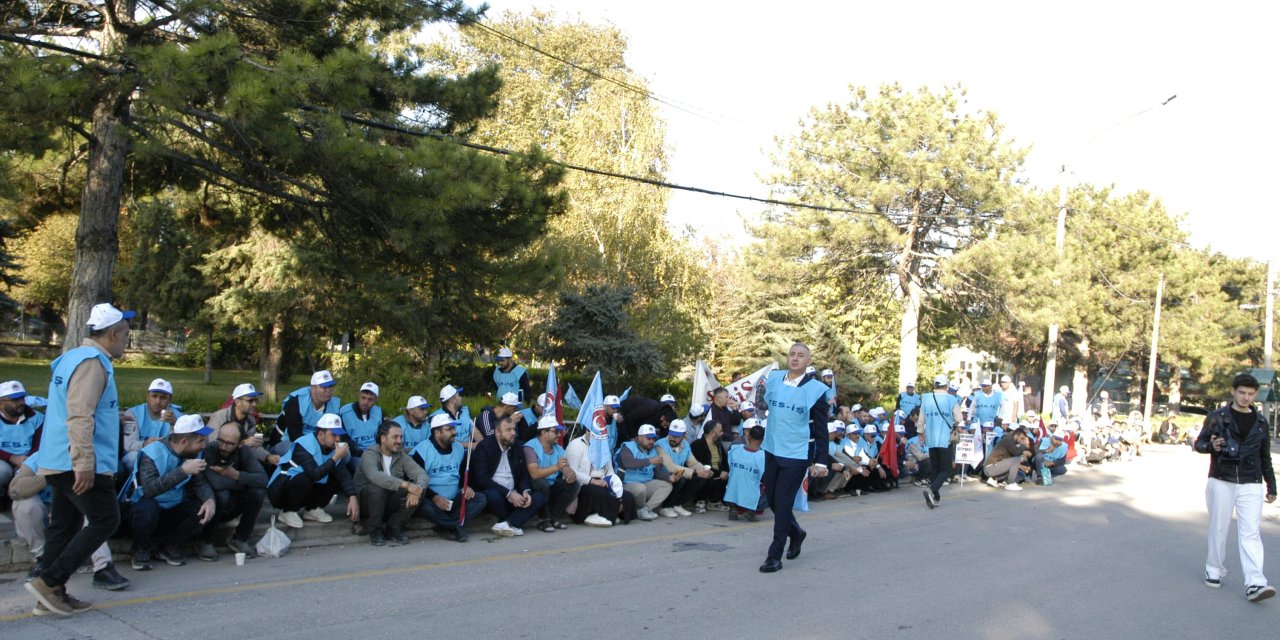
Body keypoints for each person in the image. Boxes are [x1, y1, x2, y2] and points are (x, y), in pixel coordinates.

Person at [26, 303, 132, 617]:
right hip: (80, 462)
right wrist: (84, 462)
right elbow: (80, 414)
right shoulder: (92, 363)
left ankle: (50, 596)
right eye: (126, 334)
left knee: (63, 525)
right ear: (113, 333)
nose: (127, 340)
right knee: (105, 520)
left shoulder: (72, 358)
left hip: (58, 458)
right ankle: (49, 582)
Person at [1194, 373, 1277, 602]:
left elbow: (1265, 457)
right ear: (1233, 391)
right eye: (1242, 393)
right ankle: (1214, 570)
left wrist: (1272, 485)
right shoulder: (1217, 416)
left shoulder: (1260, 422)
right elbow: (1198, 444)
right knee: (1218, 528)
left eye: (1250, 394)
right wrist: (1212, 445)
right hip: (1221, 478)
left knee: (1250, 532)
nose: (1246, 398)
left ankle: (1255, 583)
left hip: (1251, 482)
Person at [758, 342, 831, 573]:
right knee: (771, 499)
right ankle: (796, 533)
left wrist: (821, 460)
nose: (795, 358)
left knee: (783, 501)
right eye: (792, 354)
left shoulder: (816, 390)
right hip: (771, 448)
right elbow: (764, 405)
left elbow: (821, 429)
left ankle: (774, 554)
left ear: (808, 362)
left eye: (801, 356)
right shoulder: (775, 378)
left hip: (797, 453)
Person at [9, 451, 128, 591]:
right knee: (24, 505)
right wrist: (54, 474)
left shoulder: (85, 459)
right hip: (44, 512)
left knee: (94, 513)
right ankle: (42, 560)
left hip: (71, 513)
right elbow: (15, 489)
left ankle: (103, 567)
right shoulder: (40, 457)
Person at [127, 414, 217, 568]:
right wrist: (182, 471)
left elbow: (199, 483)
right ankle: (140, 549)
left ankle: (169, 546)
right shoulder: (152, 453)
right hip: (146, 508)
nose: (204, 445)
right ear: (184, 441)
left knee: (202, 508)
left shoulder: (193, 453)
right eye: (200, 441)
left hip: (174, 506)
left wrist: (210, 500)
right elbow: (149, 490)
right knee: (147, 509)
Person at [267, 413, 359, 529]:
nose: (337, 439)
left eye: (339, 435)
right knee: (305, 477)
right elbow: (314, 474)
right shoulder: (304, 444)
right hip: (279, 491)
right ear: (321, 434)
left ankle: (313, 508)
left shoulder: (331, 448)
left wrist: (352, 496)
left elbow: (343, 475)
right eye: (333, 435)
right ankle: (288, 511)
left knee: (335, 473)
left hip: (302, 489)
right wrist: (335, 458)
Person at [411, 413, 486, 542]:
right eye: (449, 429)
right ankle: (455, 526)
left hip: (454, 498)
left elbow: (463, 473)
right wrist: (434, 497)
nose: (454, 432)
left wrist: (466, 486)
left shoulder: (458, 448)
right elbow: (415, 480)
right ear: (437, 432)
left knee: (480, 499)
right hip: (431, 498)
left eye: (454, 428)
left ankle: (445, 525)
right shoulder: (421, 451)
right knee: (421, 504)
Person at [199, 421, 268, 561]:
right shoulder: (210, 449)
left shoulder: (244, 451)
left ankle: (240, 538)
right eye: (221, 441)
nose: (223, 447)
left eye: (229, 443)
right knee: (222, 494)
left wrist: (235, 475)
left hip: (234, 503)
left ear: (241, 443)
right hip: (212, 504)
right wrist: (244, 482)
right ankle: (205, 541)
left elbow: (263, 479)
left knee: (258, 493)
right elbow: (216, 483)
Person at [470, 415, 546, 537]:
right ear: (497, 433)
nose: (513, 433)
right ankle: (515, 521)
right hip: (497, 494)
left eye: (514, 429)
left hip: (515, 493)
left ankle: (508, 523)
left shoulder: (517, 447)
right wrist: (509, 494)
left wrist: (525, 491)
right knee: (492, 495)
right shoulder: (484, 447)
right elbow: (482, 479)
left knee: (538, 497)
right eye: (508, 430)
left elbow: (523, 475)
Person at [355, 421, 426, 546]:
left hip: (388, 501)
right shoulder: (369, 454)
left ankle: (394, 528)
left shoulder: (400, 455)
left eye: (401, 437)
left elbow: (421, 474)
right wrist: (407, 485)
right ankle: (375, 531)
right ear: (383, 438)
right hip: (367, 504)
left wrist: (418, 488)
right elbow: (375, 476)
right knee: (377, 489)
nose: (399, 441)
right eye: (395, 437)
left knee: (421, 489)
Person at [564, 416, 628, 527]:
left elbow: (610, 471)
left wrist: (614, 484)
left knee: (627, 496)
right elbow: (572, 471)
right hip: (584, 483)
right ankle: (595, 515)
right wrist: (592, 481)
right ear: (587, 431)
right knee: (598, 493)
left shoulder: (604, 446)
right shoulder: (576, 444)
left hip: (602, 481)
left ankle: (609, 514)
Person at [524, 414, 578, 532]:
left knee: (574, 485)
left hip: (550, 485)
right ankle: (543, 519)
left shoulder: (558, 449)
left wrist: (569, 473)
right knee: (542, 483)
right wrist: (557, 467)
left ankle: (553, 516)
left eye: (559, 431)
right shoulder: (530, 447)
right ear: (544, 432)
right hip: (532, 486)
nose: (559, 435)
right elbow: (534, 474)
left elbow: (565, 467)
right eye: (555, 431)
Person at [271, 370, 341, 453]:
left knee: (345, 454)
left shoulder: (334, 404)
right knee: (304, 453)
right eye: (324, 387)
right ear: (313, 388)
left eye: (331, 386)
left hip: (319, 443)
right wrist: (319, 446)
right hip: (286, 441)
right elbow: (294, 435)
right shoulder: (296, 402)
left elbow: (335, 431)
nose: (329, 390)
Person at [921, 374, 964, 509]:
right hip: (944, 438)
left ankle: (935, 496)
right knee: (945, 469)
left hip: (931, 437)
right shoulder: (951, 399)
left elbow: (921, 418)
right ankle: (931, 489)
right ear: (946, 386)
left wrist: (919, 432)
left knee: (935, 467)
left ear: (935, 385)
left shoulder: (927, 398)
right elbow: (959, 418)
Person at [122, 378, 182, 473]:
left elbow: (183, 445)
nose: (158, 401)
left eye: (163, 397)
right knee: (132, 457)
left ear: (170, 399)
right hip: (140, 453)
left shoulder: (178, 417)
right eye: (154, 396)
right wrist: (145, 444)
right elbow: (129, 445)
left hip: (165, 456)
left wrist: (175, 425)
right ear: (147, 396)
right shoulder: (133, 413)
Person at [207, 383, 274, 466]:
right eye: (250, 401)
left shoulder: (251, 420)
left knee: (263, 472)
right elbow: (213, 444)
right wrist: (243, 443)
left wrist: (268, 457)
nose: (254, 404)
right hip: (217, 462)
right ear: (237, 402)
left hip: (239, 459)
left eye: (255, 400)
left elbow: (252, 447)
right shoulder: (219, 417)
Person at [655, 419, 711, 516]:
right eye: (672, 435)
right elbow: (669, 467)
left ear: (684, 435)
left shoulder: (685, 444)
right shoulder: (660, 444)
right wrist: (694, 472)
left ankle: (676, 504)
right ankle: (665, 507)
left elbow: (693, 462)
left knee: (700, 478)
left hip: (678, 472)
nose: (673, 438)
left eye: (677, 436)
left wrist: (703, 470)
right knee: (680, 478)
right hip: (663, 475)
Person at [618, 424, 673, 520]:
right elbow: (628, 463)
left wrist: (669, 478)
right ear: (639, 438)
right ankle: (640, 509)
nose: (652, 441)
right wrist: (649, 461)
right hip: (628, 484)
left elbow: (658, 471)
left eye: (654, 439)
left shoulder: (653, 451)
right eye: (649, 438)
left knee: (667, 485)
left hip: (646, 483)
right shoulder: (628, 447)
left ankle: (645, 509)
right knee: (640, 488)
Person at [0, 380, 43, 496]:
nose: (21, 402)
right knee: (1, 471)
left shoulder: (37, 418)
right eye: (14, 400)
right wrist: (11, 457)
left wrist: (28, 460)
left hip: (27, 460)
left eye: (22, 398)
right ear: (1, 403)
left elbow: (39, 445)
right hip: (2, 459)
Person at [725, 424, 767, 521]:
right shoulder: (763, 456)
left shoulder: (735, 449)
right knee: (774, 488)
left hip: (732, 493)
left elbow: (730, 467)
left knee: (736, 478)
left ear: (748, 436)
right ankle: (752, 510)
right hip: (749, 494)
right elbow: (765, 478)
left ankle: (733, 508)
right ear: (763, 439)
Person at [690, 420, 730, 512]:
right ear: (712, 433)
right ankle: (700, 501)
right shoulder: (697, 445)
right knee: (706, 476)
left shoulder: (718, 445)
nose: (722, 433)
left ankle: (715, 501)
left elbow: (724, 461)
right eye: (720, 431)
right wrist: (720, 472)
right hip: (704, 473)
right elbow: (701, 465)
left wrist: (726, 472)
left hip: (718, 473)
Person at [339, 382, 384, 461]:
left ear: (376, 400)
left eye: (370, 399)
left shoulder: (378, 412)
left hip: (374, 451)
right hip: (355, 453)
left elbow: (380, 435)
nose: (366, 402)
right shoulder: (345, 412)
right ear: (358, 395)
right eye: (363, 398)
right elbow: (343, 437)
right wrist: (363, 453)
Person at [983, 426, 1031, 491]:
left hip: (993, 466)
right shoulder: (1008, 440)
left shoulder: (1011, 441)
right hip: (990, 467)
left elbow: (1009, 460)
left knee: (1020, 472)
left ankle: (995, 479)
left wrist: (1020, 466)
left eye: (1023, 439)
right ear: (1016, 435)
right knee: (1017, 459)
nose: (1021, 441)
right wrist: (1024, 445)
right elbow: (1016, 453)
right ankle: (1010, 483)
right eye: (1021, 438)